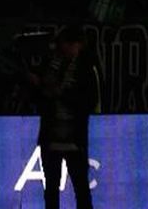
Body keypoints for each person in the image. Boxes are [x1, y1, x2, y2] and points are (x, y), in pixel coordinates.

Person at [31, 26, 100, 209]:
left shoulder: (86, 68)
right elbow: (40, 99)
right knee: (52, 189)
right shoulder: (51, 66)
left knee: (80, 188)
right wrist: (39, 88)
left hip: (74, 139)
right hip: (52, 138)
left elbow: (89, 101)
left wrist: (59, 93)